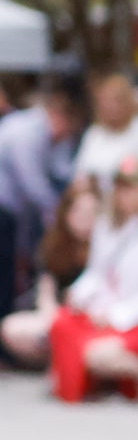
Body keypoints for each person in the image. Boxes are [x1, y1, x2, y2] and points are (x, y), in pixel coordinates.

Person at [48, 161, 138, 402]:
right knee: (62, 322)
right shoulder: (106, 226)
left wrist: (114, 316)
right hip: (108, 308)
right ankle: (79, 386)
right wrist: (79, 295)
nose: (126, 195)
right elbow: (96, 274)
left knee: (97, 354)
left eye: (132, 188)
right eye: (121, 188)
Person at [0, 76, 81, 310]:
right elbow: (32, 182)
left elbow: (62, 167)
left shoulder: (43, 133)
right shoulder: (27, 132)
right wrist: (58, 211)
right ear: (59, 117)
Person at [1, 174, 99, 369]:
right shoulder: (53, 246)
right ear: (66, 213)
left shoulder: (104, 245)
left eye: (91, 213)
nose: (84, 219)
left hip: (94, 317)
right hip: (61, 316)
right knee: (12, 328)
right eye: (78, 211)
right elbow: (46, 294)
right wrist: (56, 322)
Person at [72, 70, 138, 188]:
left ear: (129, 100)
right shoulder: (94, 133)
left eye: (116, 100)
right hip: (94, 199)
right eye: (106, 101)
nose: (111, 107)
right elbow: (79, 174)